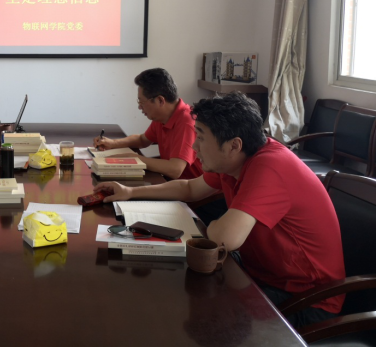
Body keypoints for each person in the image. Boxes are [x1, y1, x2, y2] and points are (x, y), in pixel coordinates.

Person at [95, 92, 345, 328]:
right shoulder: (236, 160)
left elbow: (225, 238)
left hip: (307, 298)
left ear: (233, 145)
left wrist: (215, 226)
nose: (195, 147)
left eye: (201, 138)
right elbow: (189, 188)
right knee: (172, 287)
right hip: (263, 273)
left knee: (193, 315)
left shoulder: (270, 166)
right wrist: (129, 191)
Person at [93, 68, 203, 180]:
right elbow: (143, 140)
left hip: (190, 187)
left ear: (160, 101)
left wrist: (135, 158)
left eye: (142, 102)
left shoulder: (187, 121)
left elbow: (175, 169)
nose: (139, 107)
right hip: (171, 182)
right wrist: (113, 143)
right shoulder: (161, 117)